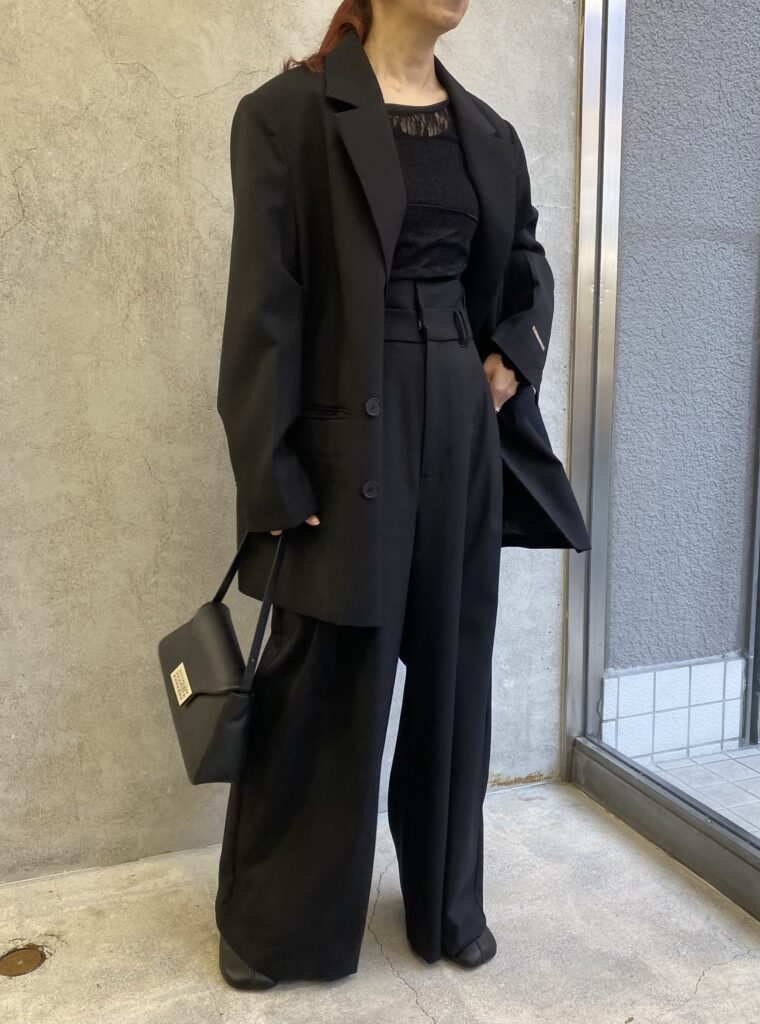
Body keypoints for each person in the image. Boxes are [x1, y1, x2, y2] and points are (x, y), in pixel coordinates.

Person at [213, 0, 590, 991]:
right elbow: (263, 307)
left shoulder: (488, 134)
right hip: (349, 437)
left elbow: (527, 265)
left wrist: (512, 353)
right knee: (327, 678)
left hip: (459, 434)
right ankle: (276, 928)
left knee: (455, 675)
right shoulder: (286, 116)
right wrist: (273, 473)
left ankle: (444, 904)